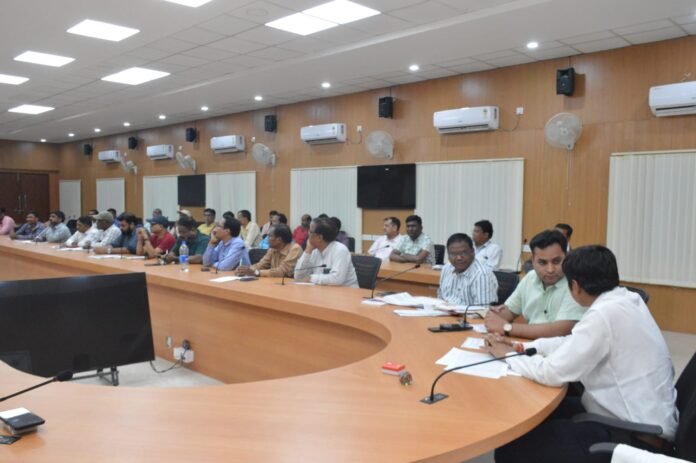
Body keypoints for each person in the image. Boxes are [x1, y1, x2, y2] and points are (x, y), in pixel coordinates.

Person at [487, 245, 678, 463]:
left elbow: (551, 373)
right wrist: (522, 347)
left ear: (575, 286)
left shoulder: (603, 315)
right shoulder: (626, 299)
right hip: (636, 417)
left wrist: (508, 356)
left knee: (510, 449)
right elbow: (573, 342)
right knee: (532, 413)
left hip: (632, 436)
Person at [484, 229, 584, 339]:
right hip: (528, 343)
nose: (550, 269)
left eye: (556, 261)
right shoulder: (530, 277)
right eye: (542, 262)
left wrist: (507, 327)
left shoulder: (575, 283)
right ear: (533, 261)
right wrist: (494, 316)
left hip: (558, 347)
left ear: (567, 257)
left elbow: (561, 330)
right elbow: (509, 311)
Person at [294, 217, 359, 287]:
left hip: (346, 292)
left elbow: (337, 279)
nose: (308, 234)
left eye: (310, 231)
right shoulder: (314, 251)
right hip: (323, 291)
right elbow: (298, 276)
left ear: (320, 237)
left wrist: (311, 278)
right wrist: (307, 251)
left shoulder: (340, 250)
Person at [438, 233, 498, 306]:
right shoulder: (446, 268)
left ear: (473, 252)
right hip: (444, 312)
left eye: (464, 253)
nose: (459, 258)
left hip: (466, 313)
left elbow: (483, 310)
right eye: (453, 254)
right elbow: (440, 299)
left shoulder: (482, 275)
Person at [236, 224, 302, 278]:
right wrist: (245, 270)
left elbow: (282, 271)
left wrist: (256, 272)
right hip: (275, 283)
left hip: (290, 285)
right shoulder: (273, 248)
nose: (267, 239)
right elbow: (261, 264)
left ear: (279, 239)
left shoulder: (295, 249)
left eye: (270, 236)